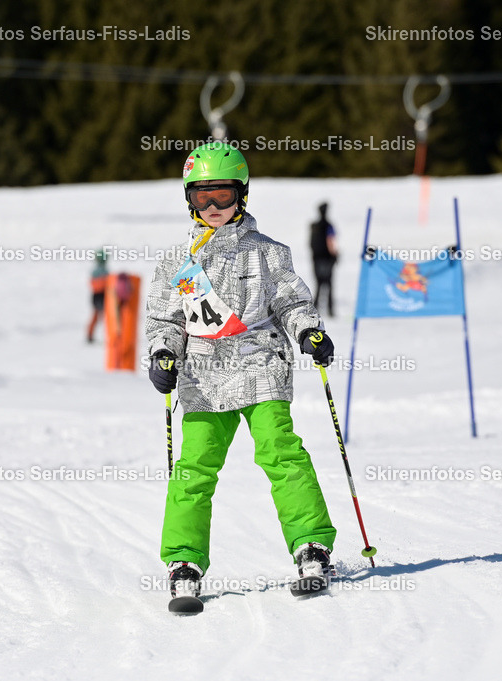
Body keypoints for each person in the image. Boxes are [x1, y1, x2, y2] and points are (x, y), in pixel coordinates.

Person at [145, 142, 338, 601]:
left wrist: (309, 331)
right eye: (202, 197)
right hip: (203, 380)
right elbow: (164, 321)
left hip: (260, 366)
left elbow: (292, 301)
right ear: (188, 198)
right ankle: (184, 559)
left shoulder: (269, 253)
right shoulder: (178, 261)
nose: (213, 207)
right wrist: (162, 354)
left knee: (280, 451)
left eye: (224, 196)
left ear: (242, 196)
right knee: (194, 467)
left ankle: (312, 544)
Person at [310, 202, 338, 316]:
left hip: (316, 258)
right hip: (327, 258)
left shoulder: (314, 226)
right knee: (329, 284)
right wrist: (335, 255)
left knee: (318, 284)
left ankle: (315, 308)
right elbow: (330, 241)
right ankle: (330, 310)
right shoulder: (328, 225)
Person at [86, 248, 107, 343]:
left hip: (97, 296)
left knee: (97, 316)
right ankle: (91, 335)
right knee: (104, 317)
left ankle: (90, 335)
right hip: (101, 296)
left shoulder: (97, 271)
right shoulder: (102, 271)